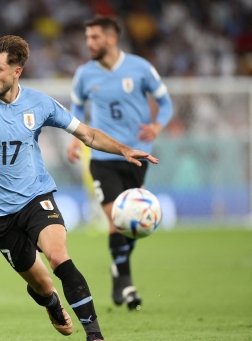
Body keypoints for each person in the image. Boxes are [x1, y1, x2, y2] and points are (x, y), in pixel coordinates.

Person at [0, 35, 158, 341]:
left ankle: (95, 336)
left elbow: (87, 134)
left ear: (17, 71)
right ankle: (52, 302)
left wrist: (123, 149)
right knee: (43, 286)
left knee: (59, 257)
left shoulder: (40, 103)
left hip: (37, 198)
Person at [67, 16, 174, 310]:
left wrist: (157, 127)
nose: (89, 43)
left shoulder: (140, 68)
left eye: (95, 38)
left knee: (132, 226)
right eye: (87, 37)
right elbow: (76, 107)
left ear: (112, 39)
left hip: (138, 156)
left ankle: (118, 271)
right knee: (117, 220)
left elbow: (167, 104)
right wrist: (75, 139)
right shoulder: (84, 74)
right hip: (102, 158)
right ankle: (128, 285)